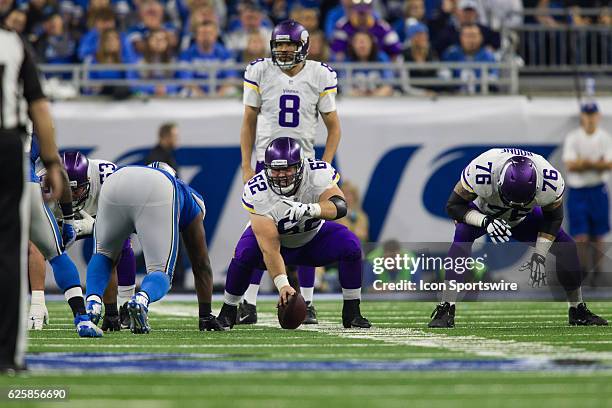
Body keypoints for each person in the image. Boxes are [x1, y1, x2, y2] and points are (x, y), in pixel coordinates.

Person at [430, 148, 608, 328]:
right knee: (462, 237)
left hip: (523, 218)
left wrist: (540, 253)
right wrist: (485, 222)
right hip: (484, 213)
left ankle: (577, 309)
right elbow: (453, 206)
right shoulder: (483, 168)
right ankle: (446, 307)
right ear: (498, 181)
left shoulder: (550, 180)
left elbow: (553, 218)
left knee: (567, 247)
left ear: (537, 187)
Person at [238, 19, 341, 325]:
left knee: (309, 228)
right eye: (278, 44)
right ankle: (249, 301)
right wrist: (246, 165)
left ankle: (307, 302)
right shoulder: (259, 70)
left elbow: (334, 128)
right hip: (267, 165)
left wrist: (326, 164)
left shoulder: (320, 74)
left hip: (304, 165)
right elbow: (248, 121)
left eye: (289, 45)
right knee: (261, 232)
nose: (282, 50)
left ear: (303, 46)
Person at [217, 137, 371, 329]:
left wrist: (311, 209)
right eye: (276, 169)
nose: (281, 175)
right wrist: (283, 285)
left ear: (300, 165)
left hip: (312, 238)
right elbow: (269, 248)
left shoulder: (316, 173)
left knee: (351, 245)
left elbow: (339, 206)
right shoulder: (258, 190)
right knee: (244, 253)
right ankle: (228, 311)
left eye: (287, 168)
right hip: (279, 244)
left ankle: (352, 312)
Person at [85, 162, 223, 333]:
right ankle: (142, 299)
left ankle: (92, 301)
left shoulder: (140, 179)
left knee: (104, 255)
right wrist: (205, 316)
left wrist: (112, 314)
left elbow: (112, 261)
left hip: (116, 179)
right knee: (161, 271)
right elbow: (201, 263)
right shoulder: (185, 194)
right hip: (158, 189)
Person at [0, 25, 68, 371]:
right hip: (8, 150)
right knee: (17, 249)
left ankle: (40, 305)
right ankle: (9, 352)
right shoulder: (13, 43)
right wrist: (53, 163)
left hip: (15, 154)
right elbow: (39, 106)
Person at [27, 139, 103, 338]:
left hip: (22, 183)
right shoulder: (31, 118)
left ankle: (38, 303)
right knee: (55, 253)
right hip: (24, 184)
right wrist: (69, 220)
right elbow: (56, 169)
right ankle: (81, 317)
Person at [563, 102, 612, 287]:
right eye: (586, 114)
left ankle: (598, 273)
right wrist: (595, 163)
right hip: (578, 191)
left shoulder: (604, 138)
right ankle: (583, 270)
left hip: (597, 190)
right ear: (582, 116)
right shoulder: (574, 137)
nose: (590, 118)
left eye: (592, 114)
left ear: (598, 116)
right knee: (581, 236)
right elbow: (570, 165)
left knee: (598, 235)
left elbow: (608, 164)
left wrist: (583, 163)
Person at [177, 20, 237, 97]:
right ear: (196, 36)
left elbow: (230, 78)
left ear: (215, 35)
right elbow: (186, 80)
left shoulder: (225, 53)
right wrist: (202, 96)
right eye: (202, 34)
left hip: (219, 93)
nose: (206, 37)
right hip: (196, 93)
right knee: (186, 92)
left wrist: (218, 95)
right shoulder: (187, 54)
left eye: (209, 33)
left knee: (232, 91)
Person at [331, 0, 402, 61]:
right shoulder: (343, 26)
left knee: (384, 56)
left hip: (378, 66)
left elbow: (396, 51)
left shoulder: (382, 27)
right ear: (353, 12)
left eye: (364, 13)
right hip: (352, 64)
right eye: (359, 13)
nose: (362, 17)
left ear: (370, 11)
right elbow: (337, 51)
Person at [441, 24, 497, 93]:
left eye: (474, 36)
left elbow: (493, 77)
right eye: (468, 36)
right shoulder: (451, 54)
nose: (471, 40)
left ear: (481, 38)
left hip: (481, 96)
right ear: (461, 37)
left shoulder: (488, 56)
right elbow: (444, 77)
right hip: (455, 97)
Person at [344, 30, 395, 97]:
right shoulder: (348, 61)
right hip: (356, 103)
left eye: (365, 41)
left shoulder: (381, 58)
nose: (362, 44)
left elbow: (389, 85)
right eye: (358, 41)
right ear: (352, 45)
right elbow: (345, 87)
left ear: (372, 44)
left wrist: (374, 97)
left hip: (380, 102)